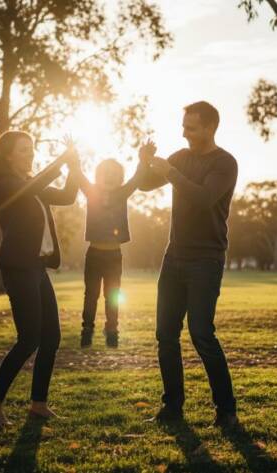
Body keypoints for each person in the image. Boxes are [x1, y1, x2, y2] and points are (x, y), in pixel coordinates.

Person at [137, 101, 240, 428]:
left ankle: (226, 410)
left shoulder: (225, 163)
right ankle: (172, 407)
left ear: (210, 127)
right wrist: (144, 163)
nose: (184, 133)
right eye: (183, 126)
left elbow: (202, 198)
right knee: (165, 334)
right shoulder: (181, 157)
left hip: (205, 260)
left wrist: (169, 171)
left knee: (201, 334)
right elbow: (144, 184)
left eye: (191, 127)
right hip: (174, 257)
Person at [0, 131, 80, 427]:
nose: (30, 154)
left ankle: (38, 404)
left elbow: (68, 196)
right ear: (7, 155)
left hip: (37, 268)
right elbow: (34, 186)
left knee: (51, 337)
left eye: (32, 149)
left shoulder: (31, 185)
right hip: (18, 268)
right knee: (29, 339)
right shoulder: (6, 184)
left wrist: (74, 166)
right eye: (23, 150)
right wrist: (61, 160)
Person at [71, 156, 146, 348]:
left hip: (114, 256)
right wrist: (73, 158)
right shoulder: (91, 192)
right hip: (94, 254)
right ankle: (87, 329)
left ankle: (112, 330)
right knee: (91, 294)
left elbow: (137, 178)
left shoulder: (122, 193)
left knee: (112, 294)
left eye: (114, 174)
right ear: (98, 176)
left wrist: (144, 159)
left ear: (120, 178)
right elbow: (79, 176)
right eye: (105, 173)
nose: (109, 176)